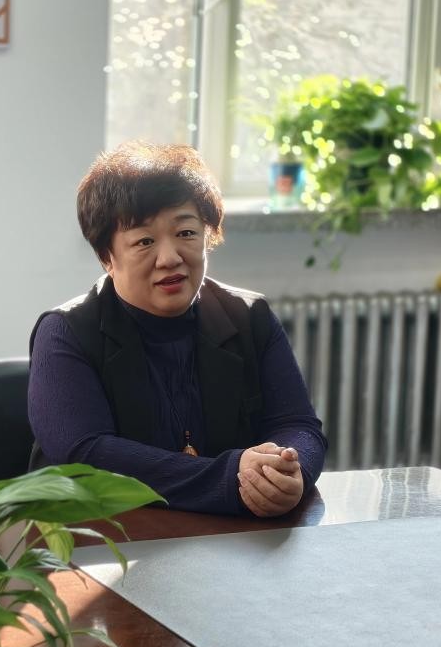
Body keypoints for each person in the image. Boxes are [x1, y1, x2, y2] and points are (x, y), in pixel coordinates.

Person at [28, 142, 326, 517]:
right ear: (107, 257)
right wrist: (231, 478)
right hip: (107, 537)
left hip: (228, 539)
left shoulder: (250, 317)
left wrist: (287, 472)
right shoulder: (66, 332)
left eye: (186, 233)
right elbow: (85, 455)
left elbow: (297, 424)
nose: (170, 258)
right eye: (144, 241)